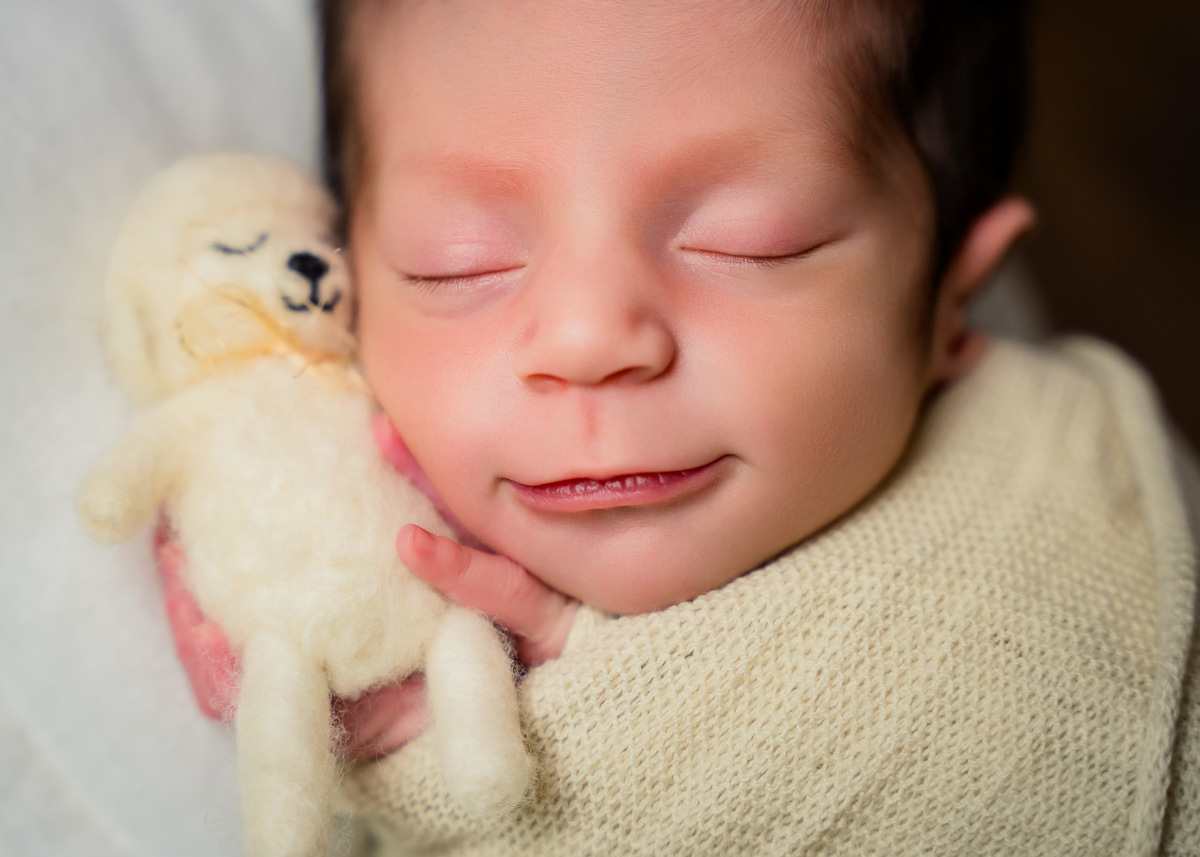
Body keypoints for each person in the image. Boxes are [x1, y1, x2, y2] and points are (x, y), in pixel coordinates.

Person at [161, 0, 1200, 853]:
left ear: (952, 299)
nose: (586, 338)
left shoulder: (1067, 495)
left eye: (751, 243)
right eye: (457, 261)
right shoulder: (375, 535)